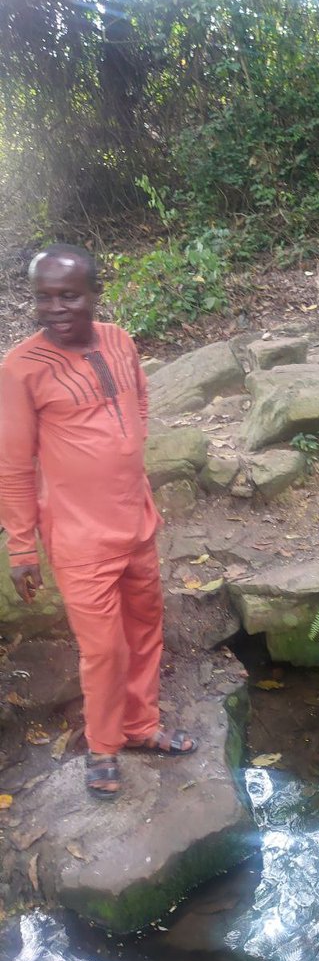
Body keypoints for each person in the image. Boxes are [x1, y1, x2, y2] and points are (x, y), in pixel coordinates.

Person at [0, 244, 196, 800]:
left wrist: (125, 446)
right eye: (43, 297)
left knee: (145, 627)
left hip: (136, 519)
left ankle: (140, 726)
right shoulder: (19, 370)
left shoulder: (118, 339)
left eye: (69, 295)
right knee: (104, 648)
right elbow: (12, 466)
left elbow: (137, 400)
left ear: (93, 293)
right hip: (79, 536)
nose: (55, 308)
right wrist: (20, 549)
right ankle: (104, 746)